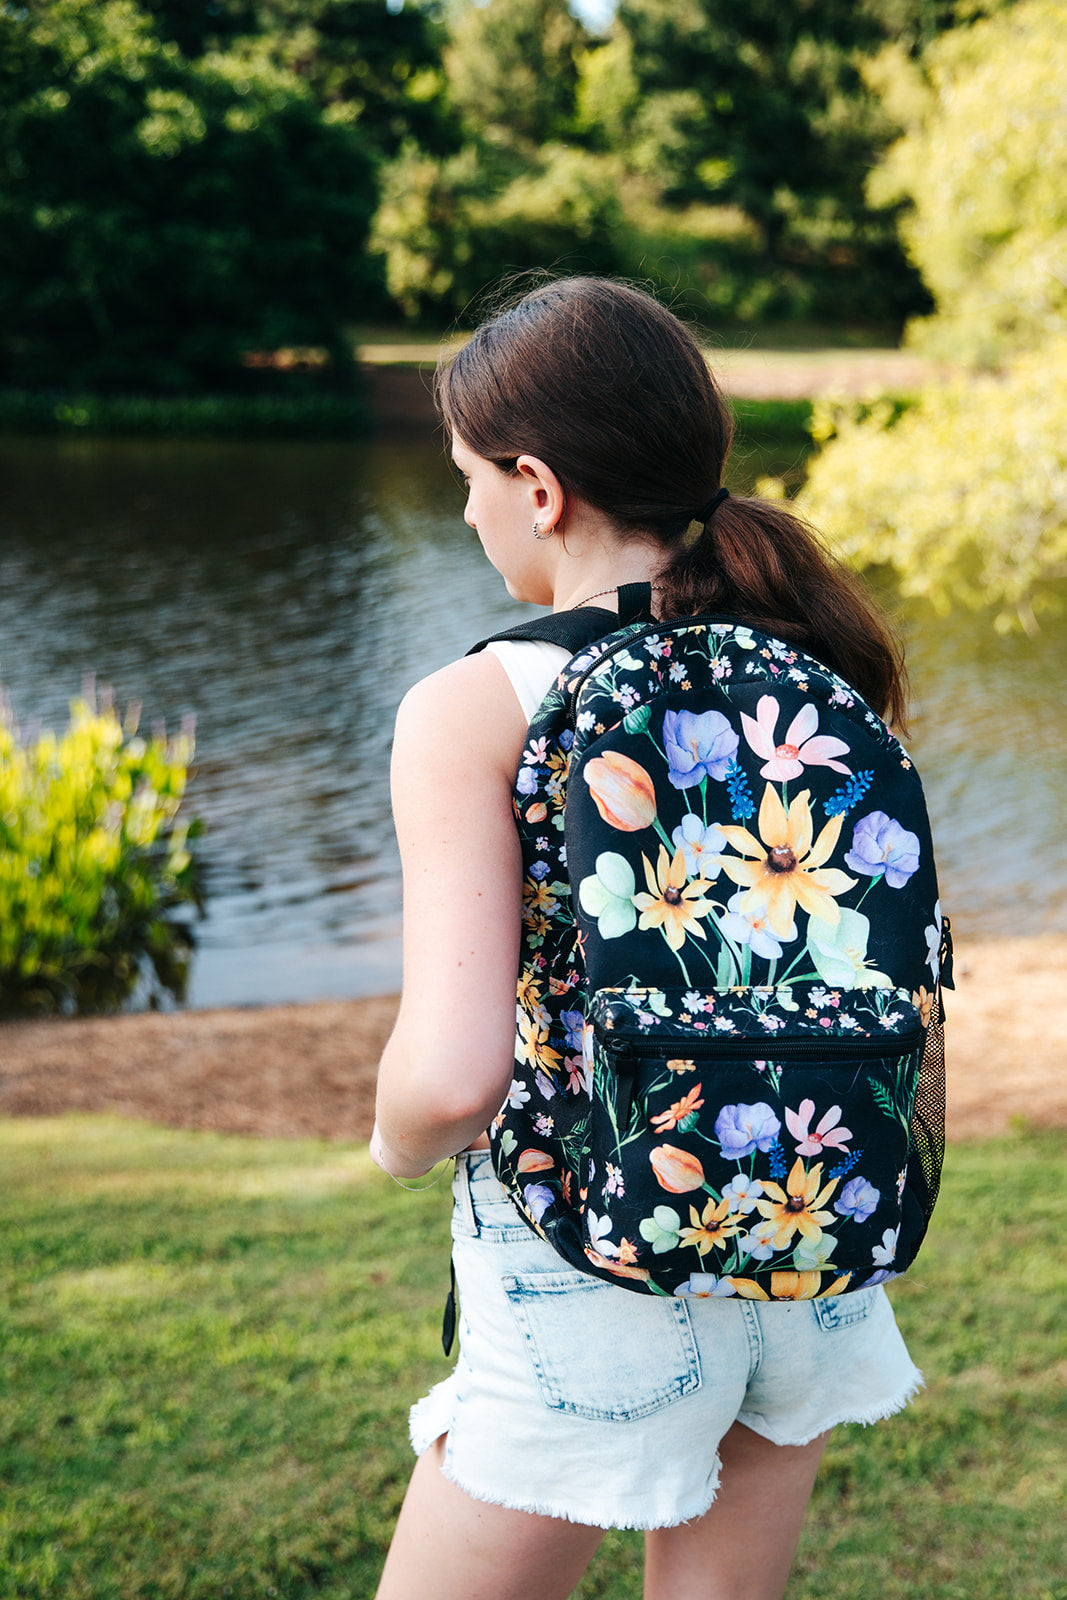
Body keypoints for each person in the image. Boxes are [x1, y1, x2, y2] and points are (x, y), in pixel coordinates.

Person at [370, 277, 921, 1600]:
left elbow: (451, 1081)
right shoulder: (809, 661)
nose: (466, 511)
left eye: (470, 479)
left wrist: (391, 1142)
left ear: (540, 487)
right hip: (808, 1234)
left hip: (590, 1265)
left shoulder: (474, 703)